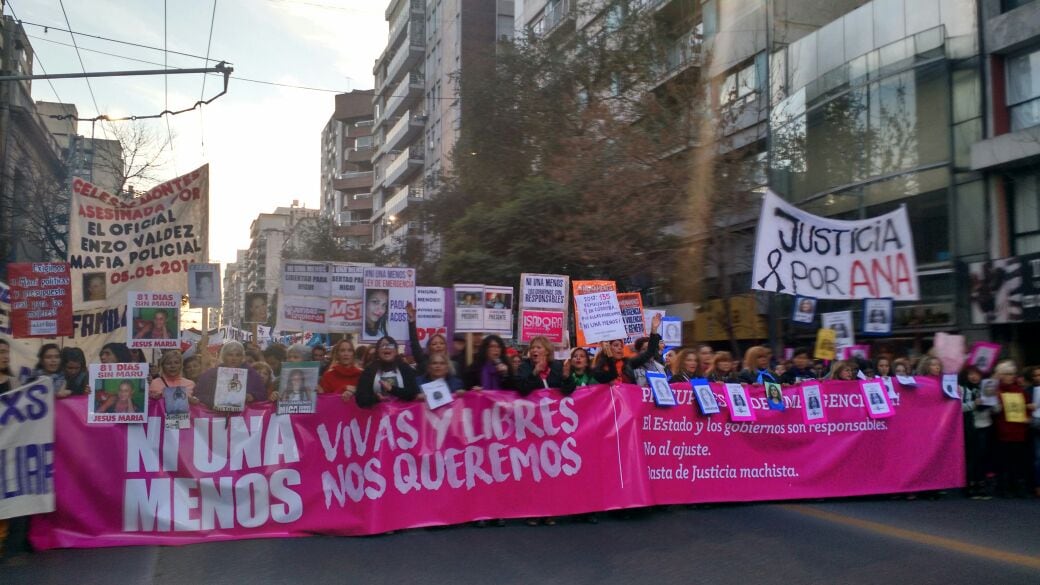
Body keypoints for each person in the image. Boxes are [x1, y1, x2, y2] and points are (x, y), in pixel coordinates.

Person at [991, 361, 1033, 497]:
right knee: (1003, 461)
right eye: (1007, 374)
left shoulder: (1020, 390)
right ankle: (1003, 487)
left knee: (1017, 460)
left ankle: (1016, 486)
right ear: (1000, 375)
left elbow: (1026, 406)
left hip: (1019, 430)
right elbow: (993, 411)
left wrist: (1029, 410)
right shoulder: (995, 390)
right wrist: (996, 404)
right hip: (1002, 431)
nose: (1011, 377)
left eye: (1012, 374)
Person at [193, 342, 269, 410]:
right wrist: (215, 399)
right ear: (223, 356)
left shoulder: (252, 375)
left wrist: (252, 397)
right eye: (230, 355)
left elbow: (263, 395)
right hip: (217, 417)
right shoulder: (210, 374)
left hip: (243, 419)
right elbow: (198, 395)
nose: (234, 358)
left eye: (238, 355)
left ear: (242, 357)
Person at [356, 336, 420, 408]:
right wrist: (376, 398)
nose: (386, 347)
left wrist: (392, 389)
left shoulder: (404, 368)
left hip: (402, 417)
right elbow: (360, 399)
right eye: (382, 346)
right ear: (378, 351)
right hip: (378, 417)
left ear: (395, 351)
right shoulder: (370, 370)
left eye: (390, 345)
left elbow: (413, 394)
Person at [405, 302, 453, 375]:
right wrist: (412, 321)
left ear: (446, 346)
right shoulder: (423, 362)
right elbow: (414, 343)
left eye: (441, 343)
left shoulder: (455, 365)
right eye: (434, 344)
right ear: (429, 348)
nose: (438, 346)